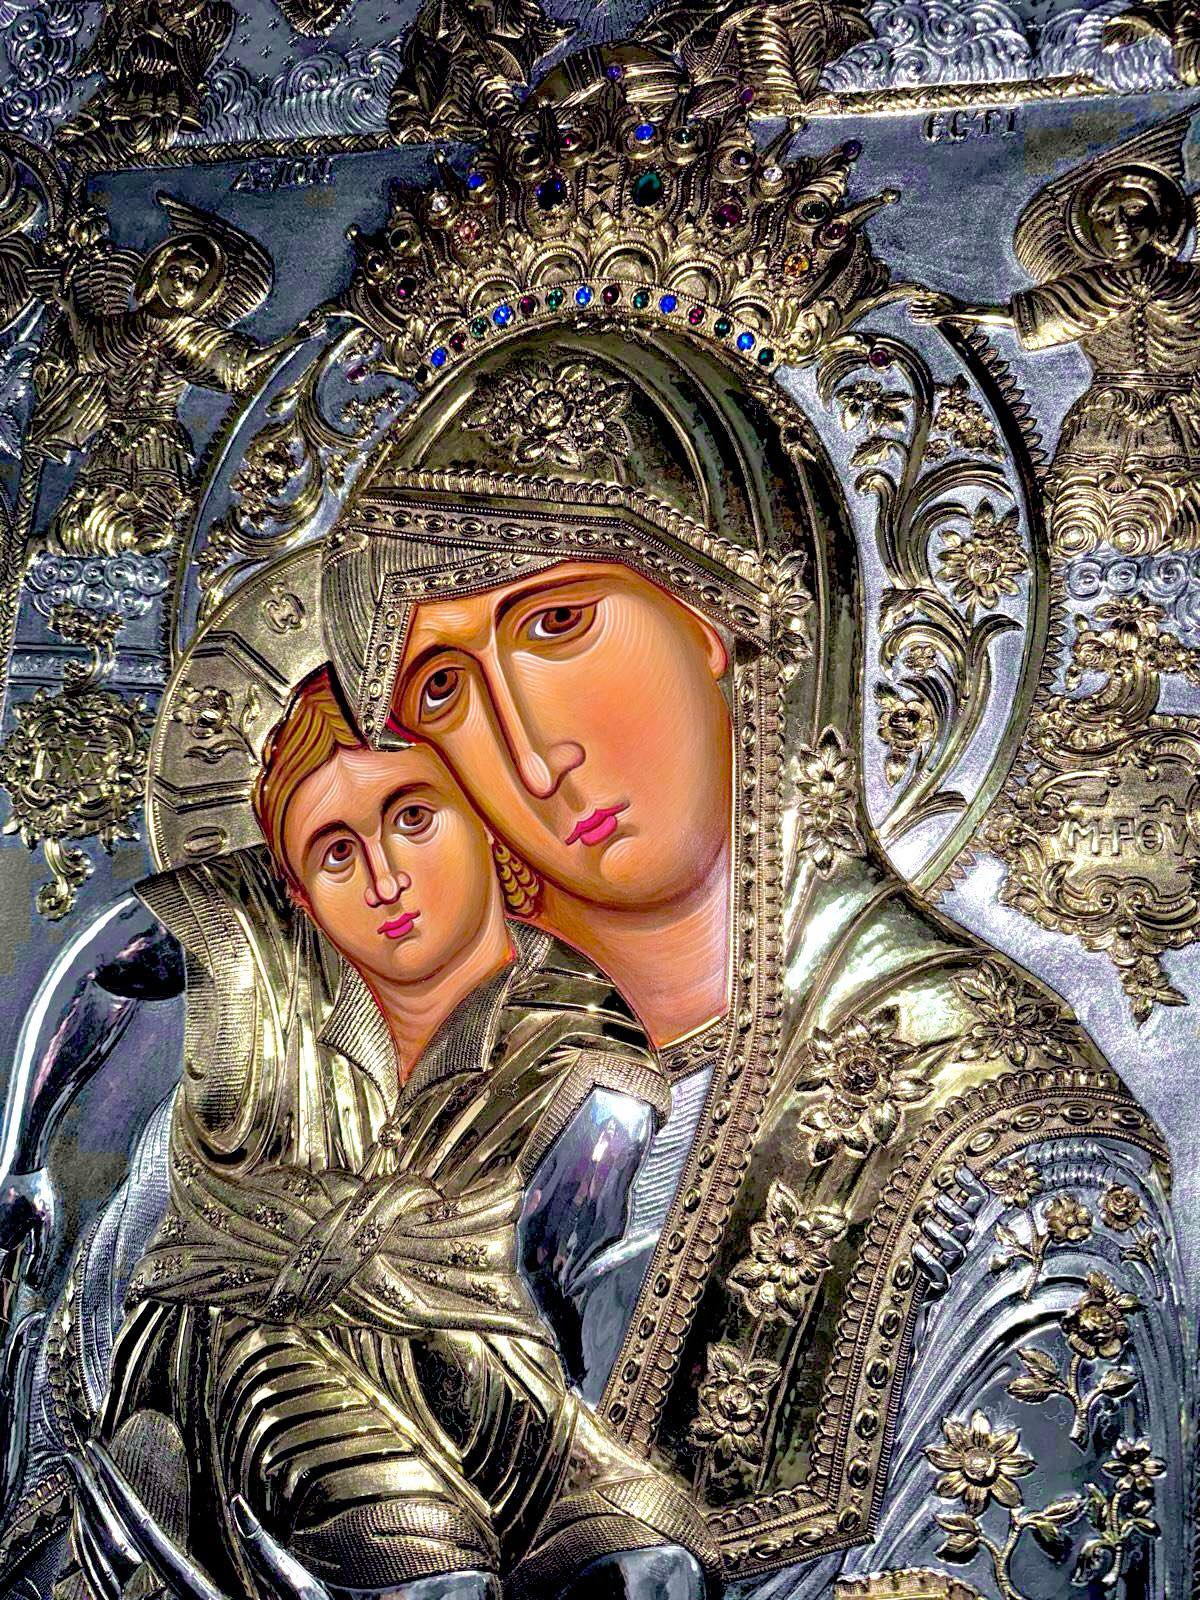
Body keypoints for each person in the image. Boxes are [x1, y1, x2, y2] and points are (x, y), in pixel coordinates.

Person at [74, 665, 720, 1600]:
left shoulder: (581, 1031)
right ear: (297, 890)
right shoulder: (252, 942)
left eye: (414, 817)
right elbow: (99, 967)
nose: (385, 880)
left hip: (477, 1354)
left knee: (655, 1562)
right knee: (426, 1569)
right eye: (336, 853)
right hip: (256, 1328)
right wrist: (24, 1164)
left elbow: (569, 1292)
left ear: (485, 817)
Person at [908, 158, 1200, 555]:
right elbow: (1024, 316)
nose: (1120, 227)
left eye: (1133, 212)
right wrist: (958, 310)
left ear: (1161, 218)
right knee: (1079, 527)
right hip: (1105, 418)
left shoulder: (1190, 284)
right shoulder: (1088, 285)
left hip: (1180, 417)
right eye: (1105, 217)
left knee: (1174, 525)